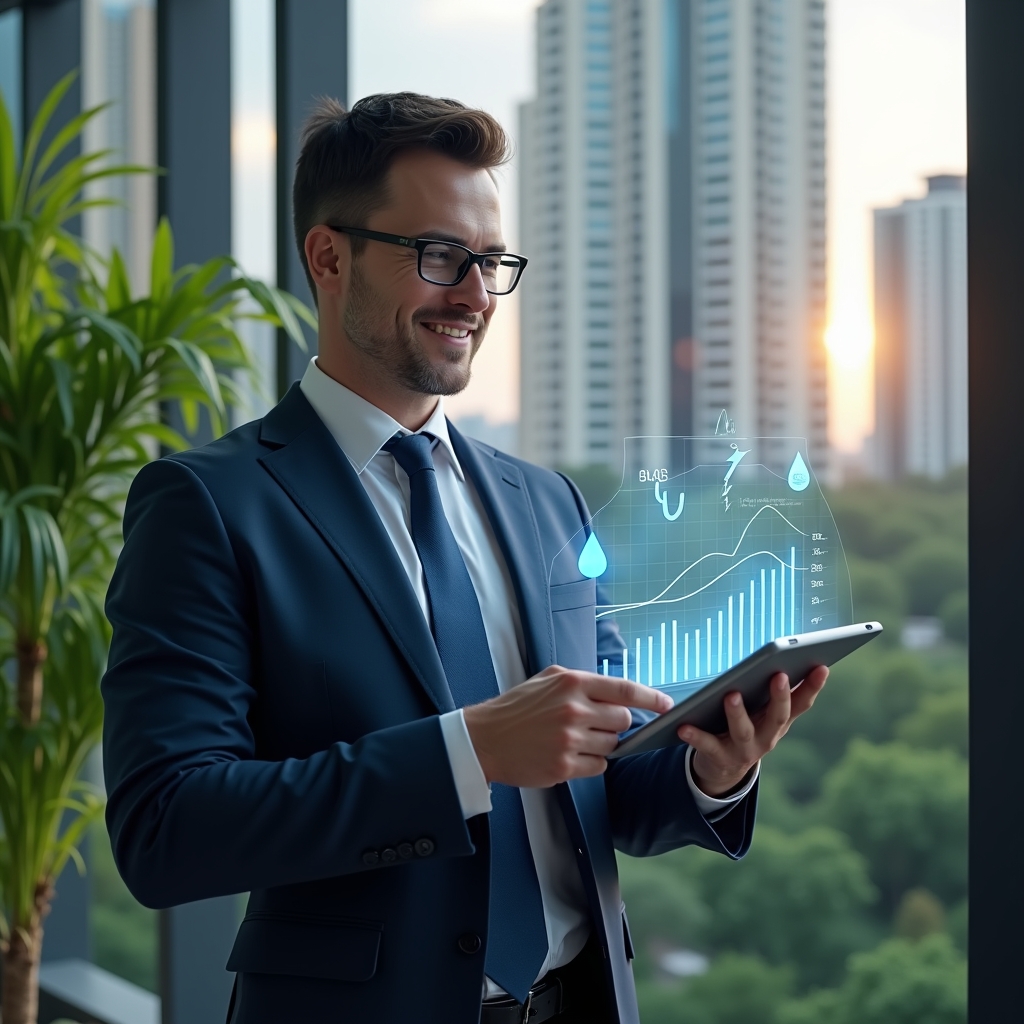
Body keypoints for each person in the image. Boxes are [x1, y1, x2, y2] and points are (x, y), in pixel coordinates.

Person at [101, 93, 828, 1024]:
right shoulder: (208, 504)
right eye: (441, 257)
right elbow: (168, 827)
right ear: (330, 257)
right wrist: (469, 753)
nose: (478, 296)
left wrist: (712, 768)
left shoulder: (543, 499)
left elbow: (605, 787)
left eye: (491, 262)